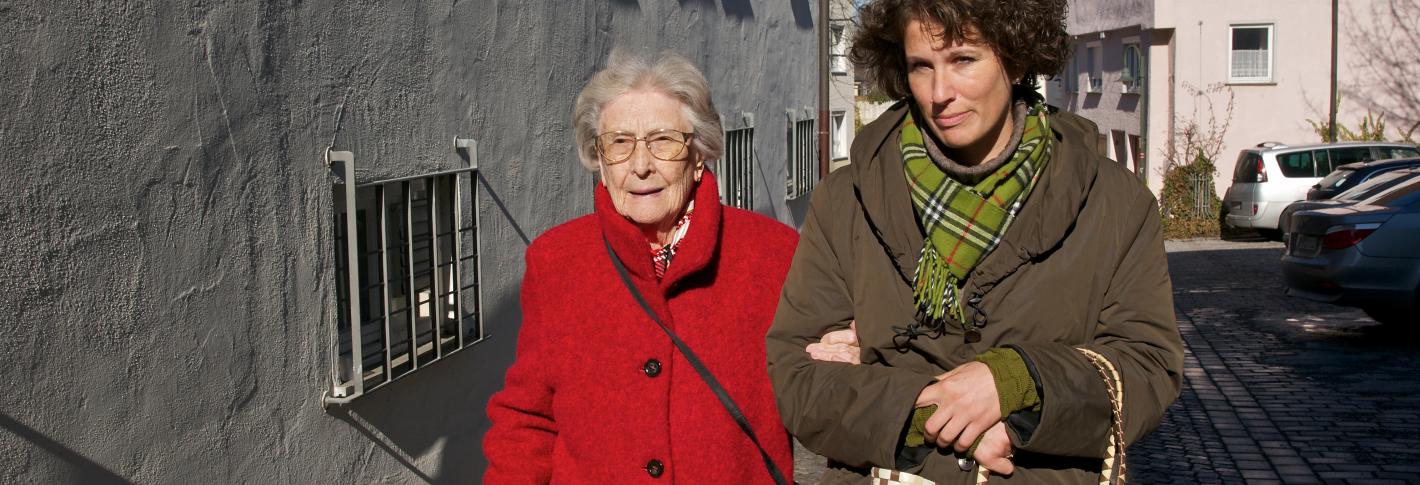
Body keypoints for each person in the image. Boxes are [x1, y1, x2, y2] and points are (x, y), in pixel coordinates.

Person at [766, 0, 1185, 483]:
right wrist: (934, 416)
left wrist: (1015, 382)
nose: (939, 92)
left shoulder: (1115, 203)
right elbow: (798, 377)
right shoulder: (846, 200)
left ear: (1017, 55)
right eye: (921, 66)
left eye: (963, 60)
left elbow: (1148, 369)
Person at [483, 50, 797, 484]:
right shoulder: (557, 262)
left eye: (663, 140)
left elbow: (820, 394)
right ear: (599, 158)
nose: (641, 165)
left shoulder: (771, 254)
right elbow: (527, 419)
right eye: (619, 143)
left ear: (699, 152)